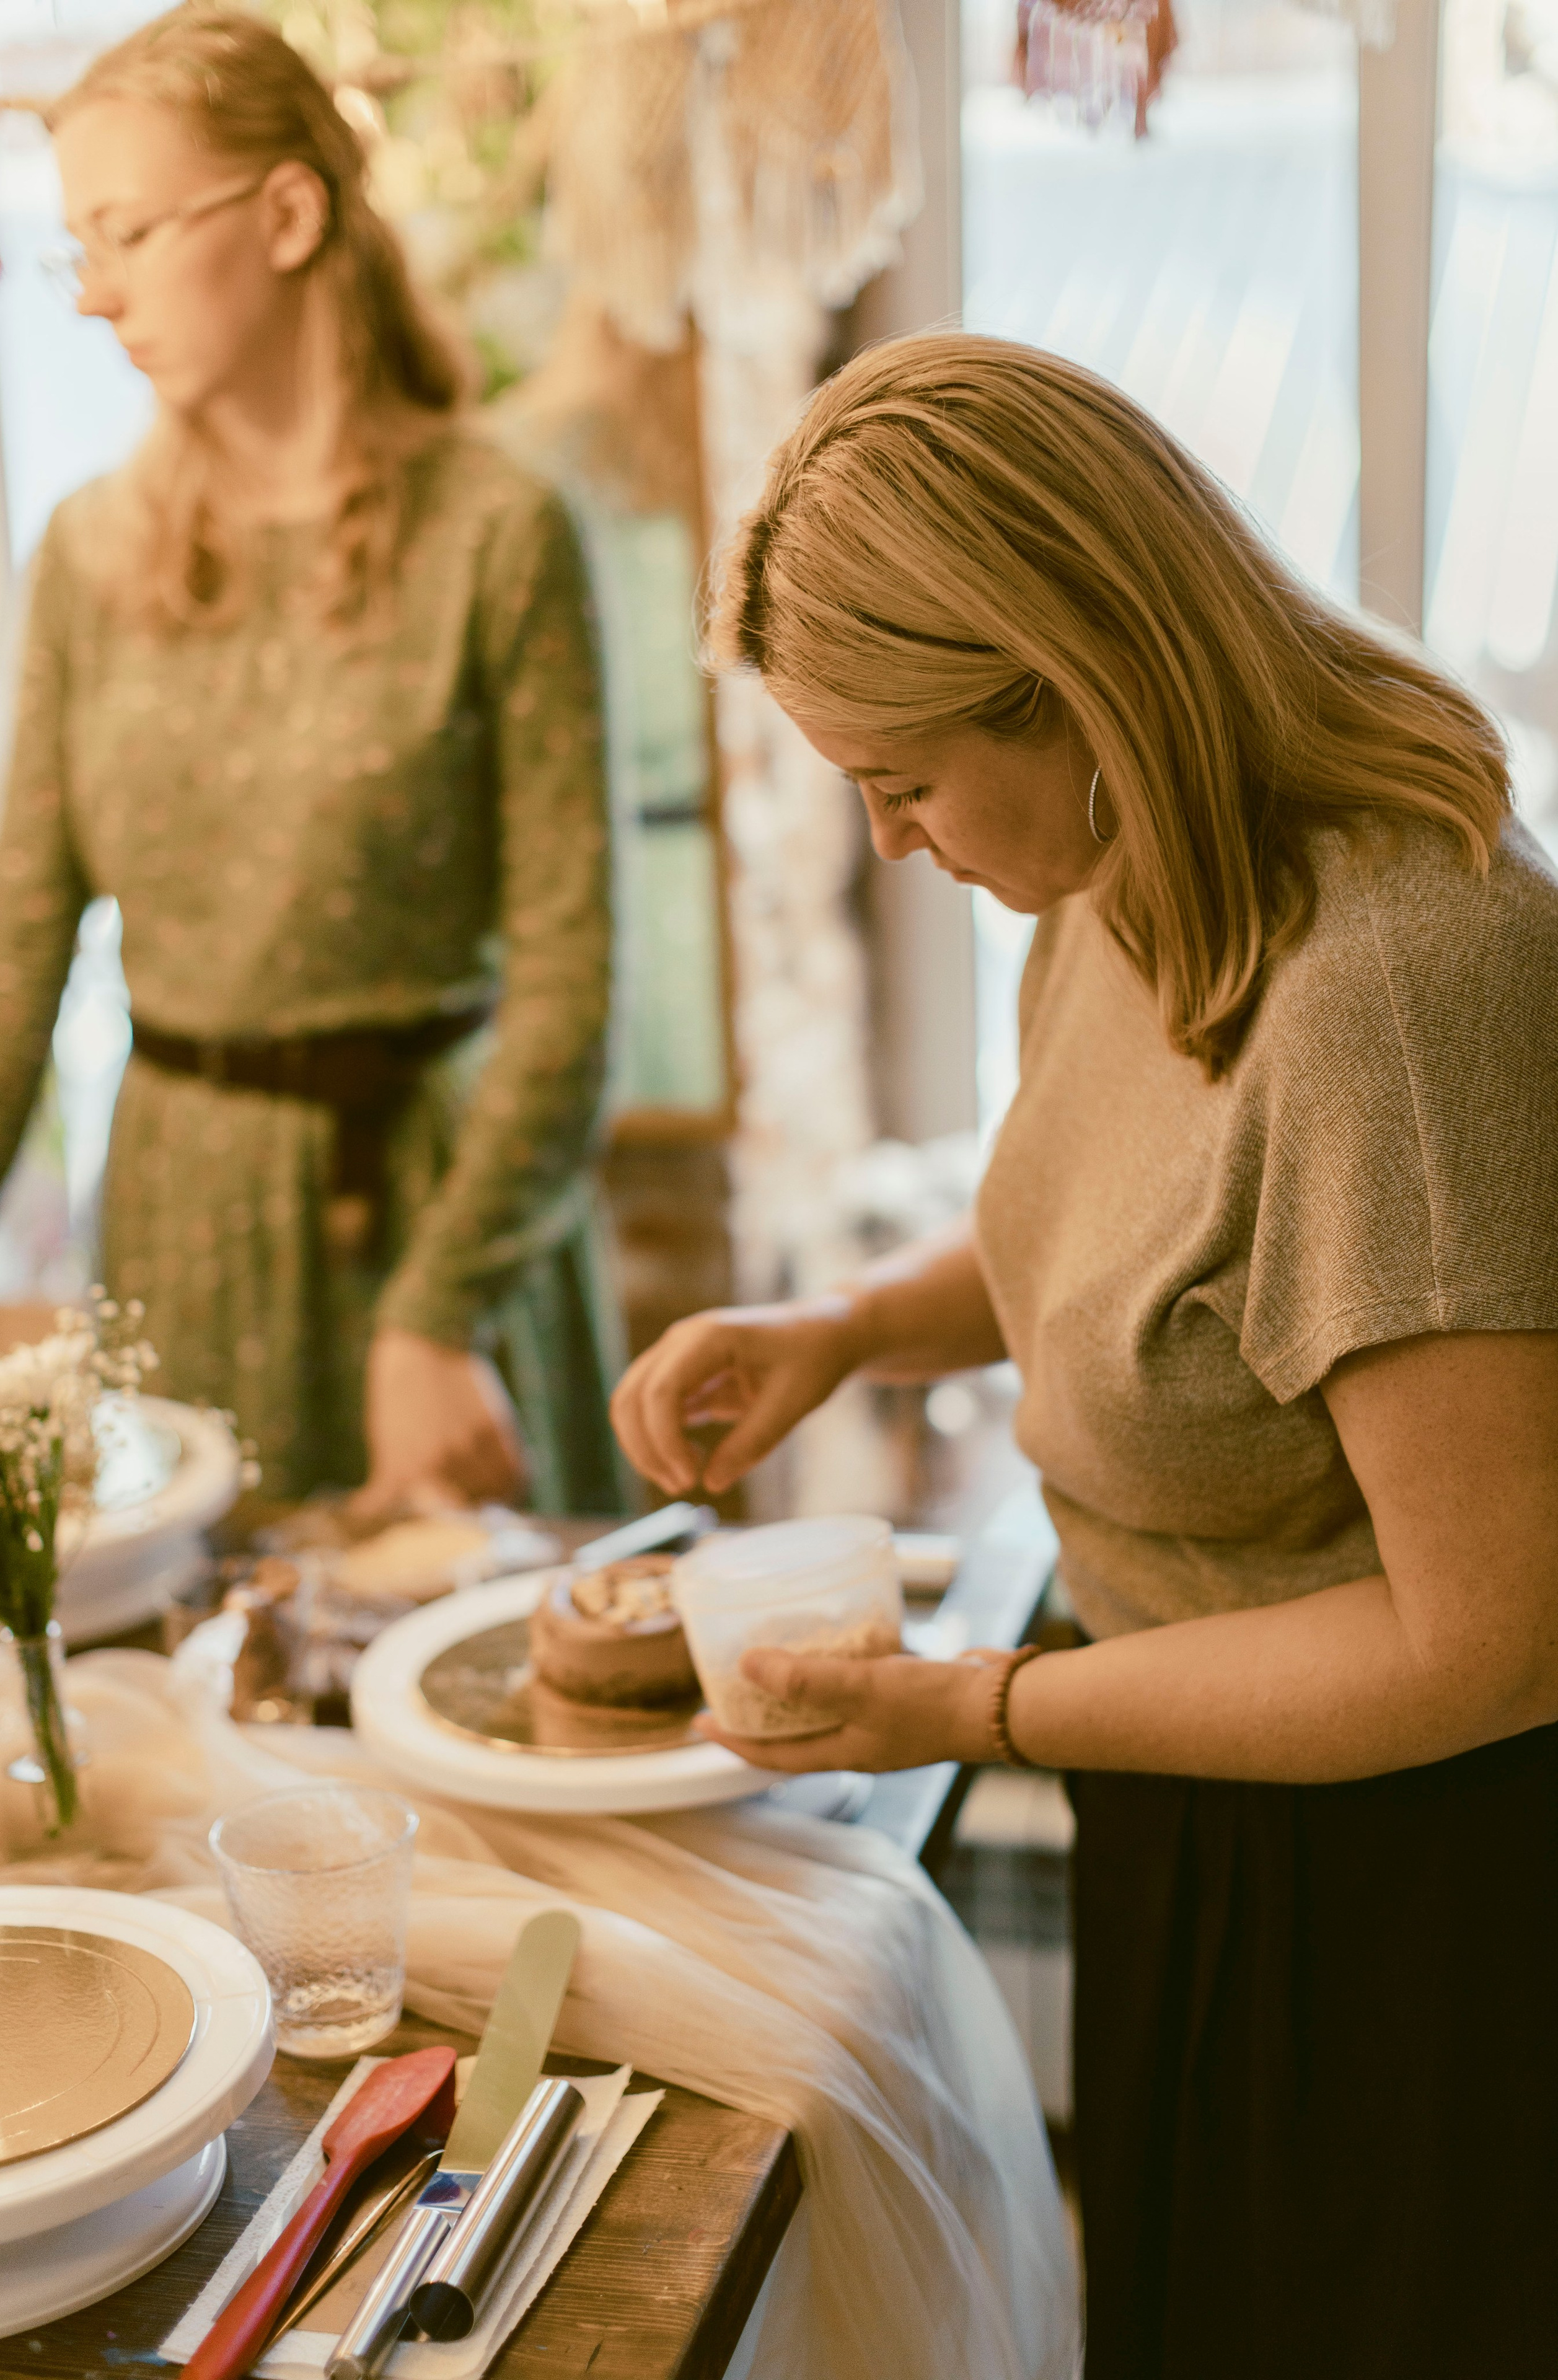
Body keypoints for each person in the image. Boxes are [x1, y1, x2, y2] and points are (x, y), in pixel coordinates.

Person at [612, 334, 1558, 2378]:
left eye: (906, 778)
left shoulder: (1400, 985)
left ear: (1080, 676)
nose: (890, 844)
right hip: (1197, 1807)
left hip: (1405, 1894)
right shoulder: (1126, 871)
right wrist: (848, 1329)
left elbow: (1491, 1640)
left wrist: (974, 1702)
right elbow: (1161, 1244)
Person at [0, 6, 626, 1511]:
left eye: (127, 234)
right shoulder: (85, 550)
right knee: (205, 1712)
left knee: (481, 1686)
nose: (95, 297)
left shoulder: (496, 531)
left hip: (442, 1219)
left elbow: (574, 991)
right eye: (82, 250)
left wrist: (435, 1308)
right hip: (184, 1231)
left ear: (285, 214)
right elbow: (14, 968)